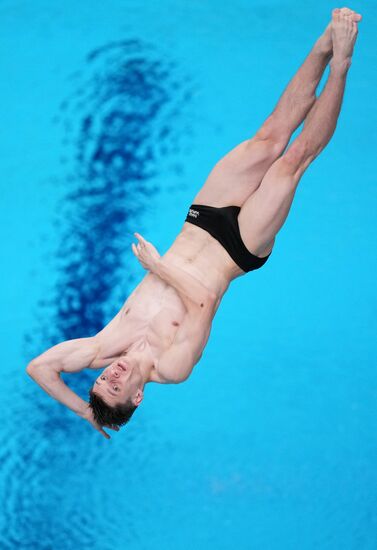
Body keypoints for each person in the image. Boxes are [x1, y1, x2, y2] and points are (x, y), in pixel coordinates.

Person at [27, 8, 361, 439]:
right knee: (291, 165)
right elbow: (202, 301)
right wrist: (157, 266)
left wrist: (85, 412)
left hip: (201, 222)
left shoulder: (101, 346)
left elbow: (40, 368)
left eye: (101, 381)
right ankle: (342, 64)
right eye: (116, 386)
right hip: (238, 248)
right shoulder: (172, 366)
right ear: (136, 396)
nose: (110, 375)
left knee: (269, 137)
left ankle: (323, 43)